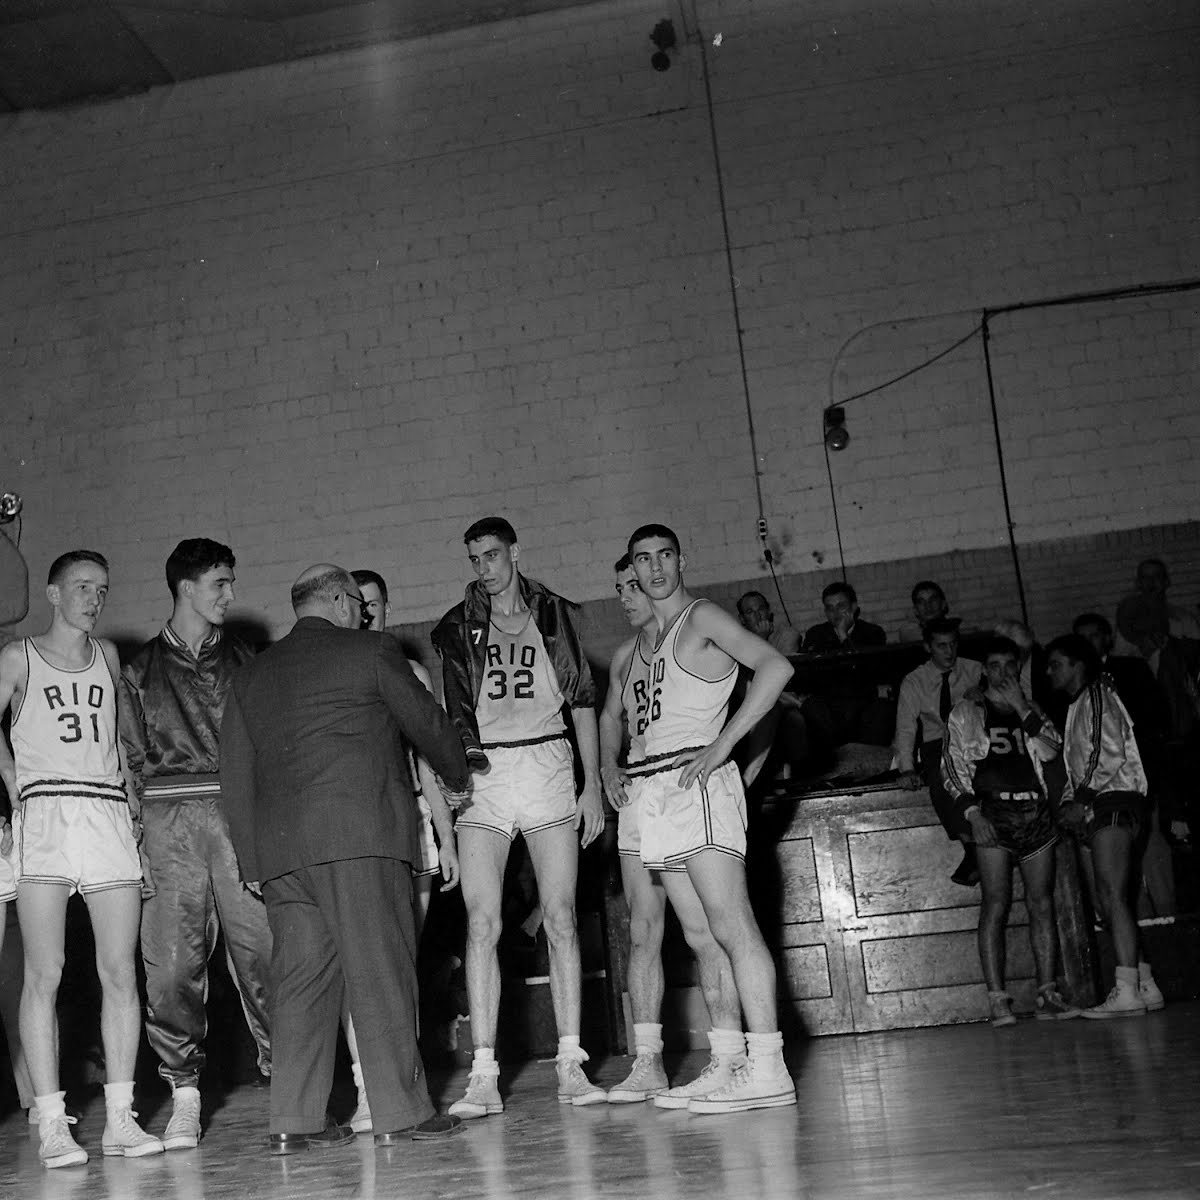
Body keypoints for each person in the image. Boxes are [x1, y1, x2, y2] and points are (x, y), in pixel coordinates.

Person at [219, 565, 470, 1152]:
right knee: (380, 972)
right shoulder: (372, 651)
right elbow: (426, 725)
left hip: (283, 855)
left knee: (300, 983)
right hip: (361, 842)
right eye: (357, 603)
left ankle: (292, 1120)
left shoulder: (252, 675)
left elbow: (234, 775)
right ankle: (401, 1112)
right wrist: (458, 771)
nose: (364, 612)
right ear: (336, 600)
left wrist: (253, 861)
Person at [431, 518, 606, 1116]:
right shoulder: (459, 626)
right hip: (487, 775)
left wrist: (592, 784)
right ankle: (483, 1073)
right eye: (474, 558)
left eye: (492, 555)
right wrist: (456, 777)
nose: (483, 567)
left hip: (548, 761)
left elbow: (583, 700)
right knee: (482, 924)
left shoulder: (553, 614)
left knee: (559, 916)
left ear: (515, 553)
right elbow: (449, 706)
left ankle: (571, 1064)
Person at [0, 550, 163, 1168]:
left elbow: (123, 744)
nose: (95, 599)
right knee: (45, 972)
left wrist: (134, 813)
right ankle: (50, 1123)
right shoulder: (19, 657)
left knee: (120, 970)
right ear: (52, 593)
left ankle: (121, 1118)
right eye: (82, 588)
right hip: (45, 815)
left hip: (104, 812)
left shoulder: (109, 657)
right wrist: (12, 777)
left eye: (102, 588)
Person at [626, 523, 796, 1113]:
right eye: (642, 560)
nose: (654, 569)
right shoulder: (648, 642)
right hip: (659, 791)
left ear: (681, 559)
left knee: (733, 925)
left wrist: (725, 744)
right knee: (700, 936)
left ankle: (769, 1065)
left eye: (664, 556)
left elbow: (776, 668)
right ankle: (728, 1061)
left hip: (700, 785)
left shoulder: (702, 617)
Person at [119, 538, 273, 1151]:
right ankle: (184, 1095)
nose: (231, 596)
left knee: (265, 957)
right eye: (221, 584)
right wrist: (134, 840)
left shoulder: (247, 659)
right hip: (166, 823)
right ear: (187, 587)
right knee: (173, 967)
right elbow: (128, 762)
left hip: (238, 817)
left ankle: (290, 1083)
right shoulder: (136, 670)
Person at [599, 556, 741, 1106]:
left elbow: (764, 689)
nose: (627, 597)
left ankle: (730, 1054)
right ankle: (649, 1062)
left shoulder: (696, 635)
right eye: (619, 590)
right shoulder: (624, 657)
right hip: (638, 793)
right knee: (642, 929)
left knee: (703, 930)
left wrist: (739, 760)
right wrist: (609, 765)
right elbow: (611, 716)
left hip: (683, 787)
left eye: (633, 587)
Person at [341, 567, 459, 1135]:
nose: (366, 614)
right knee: (362, 966)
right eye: (356, 604)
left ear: (387, 608)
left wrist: (447, 834)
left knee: (403, 964)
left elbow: (431, 763)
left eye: (374, 604)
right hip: (362, 828)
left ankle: (403, 1090)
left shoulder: (410, 671)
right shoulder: (339, 671)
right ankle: (368, 1089)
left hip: (410, 821)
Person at [941, 637, 1076, 1027]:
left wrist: (1021, 706)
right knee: (995, 903)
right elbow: (951, 766)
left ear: (1018, 668)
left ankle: (1047, 991)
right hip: (992, 811)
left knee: (1042, 902)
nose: (1003, 673)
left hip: (1033, 809)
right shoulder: (967, 710)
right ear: (984, 669)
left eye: (1010, 666)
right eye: (995, 665)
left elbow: (1052, 749)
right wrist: (972, 814)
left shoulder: (1030, 709)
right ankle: (998, 998)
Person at [1046, 634, 1164, 1018]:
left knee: (1113, 895)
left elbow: (1105, 751)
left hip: (1114, 800)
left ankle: (1126, 988)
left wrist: (1080, 799)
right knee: (1106, 899)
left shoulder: (1097, 694)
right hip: (1103, 801)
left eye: (1056, 664)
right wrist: (1070, 799)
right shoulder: (1078, 704)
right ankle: (1144, 983)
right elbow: (1077, 762)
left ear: (1078, 665)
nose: (1049, 672)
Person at [893, 618, 984, 886]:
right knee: (940, 776)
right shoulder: (914, 680)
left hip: (972, 740)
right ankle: (972, 848)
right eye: (941, 646)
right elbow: (906, 726)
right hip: (937, 744)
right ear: (928, 647)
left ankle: (977, 852)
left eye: (953, 644)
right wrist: (907, 768)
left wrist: (983, 699)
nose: (949, 652)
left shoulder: (975, 670)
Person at [735, 592, 801, 655]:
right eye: (750, 612)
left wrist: (762, 639)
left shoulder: (788, 635)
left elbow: (779, 666)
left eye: (761, 609)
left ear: (768, 612)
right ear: (742, 619)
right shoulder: (738, 643)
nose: (757, 615)